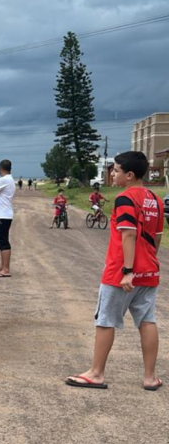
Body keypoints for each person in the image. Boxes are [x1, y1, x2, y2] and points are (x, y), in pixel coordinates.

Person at [66, 151, 164, 391]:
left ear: (129, 175)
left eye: (116, 170)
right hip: (149, 271)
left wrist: (128, 269)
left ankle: (96, 372)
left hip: (121, 273)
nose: (112, 173)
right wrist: (146, 263)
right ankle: (150, 377)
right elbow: (157, 237)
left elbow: (128, 234)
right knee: (147, 320)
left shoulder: (124, 199)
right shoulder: (155, 199)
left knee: (105, 320)